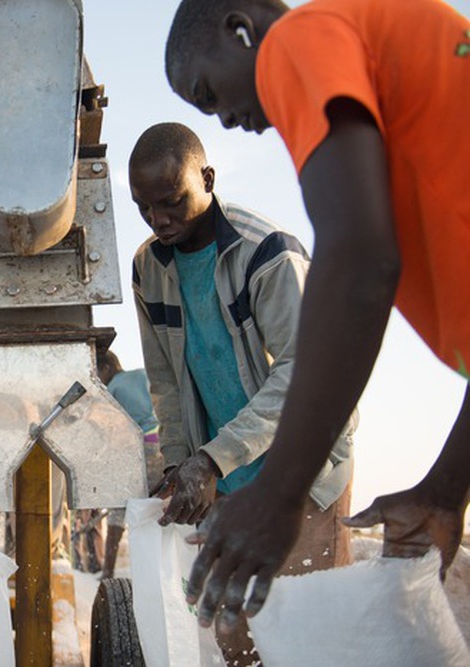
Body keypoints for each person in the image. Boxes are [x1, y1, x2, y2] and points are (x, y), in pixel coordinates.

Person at [164, 0, 470, 631]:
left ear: (240, 29)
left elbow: (359, 261)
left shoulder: (300, 39)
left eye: (207, 92)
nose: (223, 117)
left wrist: (279, 494)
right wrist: (443, 491)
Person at [129, 122, 356, 664]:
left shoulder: (267, 253)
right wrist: (182, 462)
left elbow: (305, 374)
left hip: (301, 475)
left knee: (305, 635)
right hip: (226, 482)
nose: (159, 220)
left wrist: (210, 461)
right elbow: (164, 377)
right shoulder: (147, 268)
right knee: (238, 637)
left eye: (171, 201)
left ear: (207, 177)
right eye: (144, 207)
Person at [96, 349, 159, 579]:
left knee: (118, 506)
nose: (98, 381)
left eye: (97, 374)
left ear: (106, 368)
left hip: (137, 447)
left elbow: (106, 428)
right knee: (156, 503)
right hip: (161, 441)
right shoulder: (142, 374)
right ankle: (157, 565)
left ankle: (108, 570)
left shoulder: (112, 389)